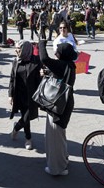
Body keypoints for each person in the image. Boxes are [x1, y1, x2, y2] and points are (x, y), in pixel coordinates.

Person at [38, 39, 77, 176]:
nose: (55, 53)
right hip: (65, 104)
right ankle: (64, 160)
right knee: (59, 136)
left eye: (58, 51)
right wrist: (49, 73)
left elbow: (43, 58)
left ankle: (57, 169)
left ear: (62, 54)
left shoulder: (61, 65)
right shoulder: (70, 65)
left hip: (57, 106)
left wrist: (41, 42)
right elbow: (60, 77)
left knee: (54, 139)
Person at [8, 40, 42, 151]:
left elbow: (42, 76)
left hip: (32, 95)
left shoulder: (36, 61)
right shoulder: (16, 61)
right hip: (19, 94)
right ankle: (28, 139)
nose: (16, 50)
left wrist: (42, 73)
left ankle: (16, 128)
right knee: (25, 117)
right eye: (16, 48)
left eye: (19, 48)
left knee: (27, 116)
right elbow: (12, 78)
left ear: (26, 49)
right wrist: (10, 95)